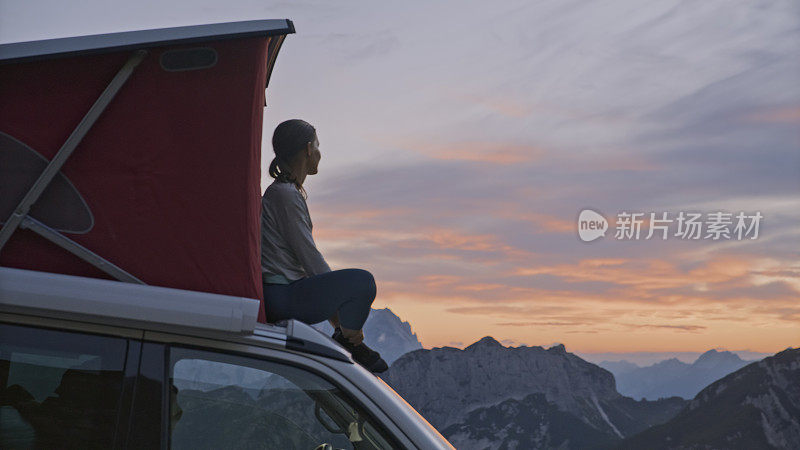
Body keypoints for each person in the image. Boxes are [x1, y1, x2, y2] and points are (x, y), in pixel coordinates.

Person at [260, 119, 388, 373]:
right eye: (318, 146)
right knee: (363, 283)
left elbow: (306, 262)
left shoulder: (284, 193)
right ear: (308, 149)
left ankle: (347, 340)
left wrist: (337, 319)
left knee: (354, 287)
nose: (320, 153)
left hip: (288, 291)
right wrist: (344, 321)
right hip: (283, 295)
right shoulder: (284, 195)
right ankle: (350, 341)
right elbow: (309, 257)